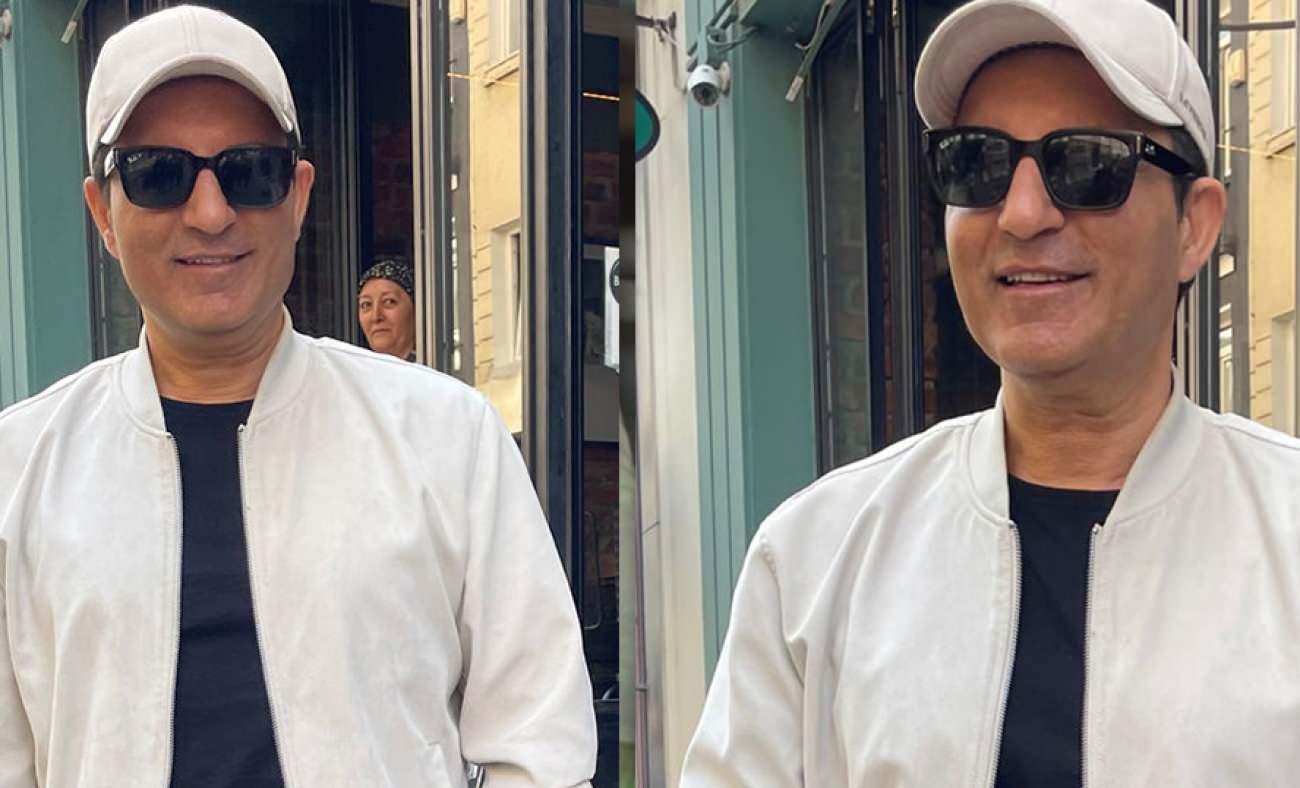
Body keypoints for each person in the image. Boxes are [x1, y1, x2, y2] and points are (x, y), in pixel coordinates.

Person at [680, 1, 1300, 785]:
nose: (1023, 213)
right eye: (977, 162)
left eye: (1087, 163)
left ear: (1194, 226)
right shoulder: (816, 558)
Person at [0, 6, 595, 786]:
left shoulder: (446, 438)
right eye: (157, 174)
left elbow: (539, 744)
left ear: (299, 195)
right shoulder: (21, 470)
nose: (211, 214)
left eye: (250, 171)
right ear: (102, 214)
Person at [358, 258, 418, 361]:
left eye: (389, 301)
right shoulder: (353, 369)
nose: (376, 317)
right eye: (366, 304)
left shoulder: (435, 367)